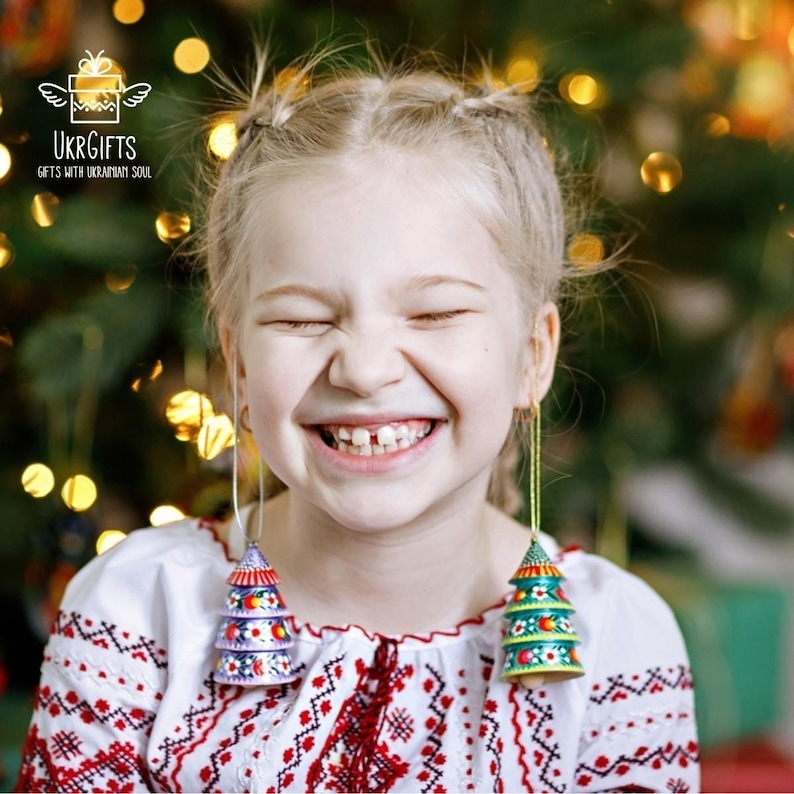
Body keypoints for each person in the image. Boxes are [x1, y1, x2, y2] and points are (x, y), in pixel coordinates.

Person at [16, 48, 699, 793]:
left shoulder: (618, 645)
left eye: (435, 312)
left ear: (533, 356)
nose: (365, 369)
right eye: (306, 319)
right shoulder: (137, 618)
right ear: (238, 365)